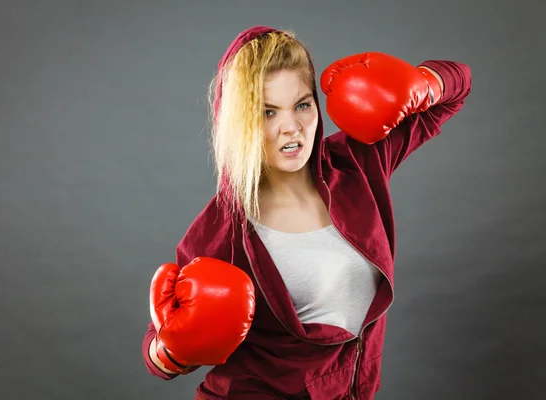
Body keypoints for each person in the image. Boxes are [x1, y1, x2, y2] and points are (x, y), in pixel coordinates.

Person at [143, 25, 472, 399]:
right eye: (268, 113)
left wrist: (420, 82)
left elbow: (456, 87)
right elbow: (160, 351)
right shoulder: (221, 230)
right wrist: (170, 351)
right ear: (240, 122)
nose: (292, 127)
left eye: (301, 104)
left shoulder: (358, 165)